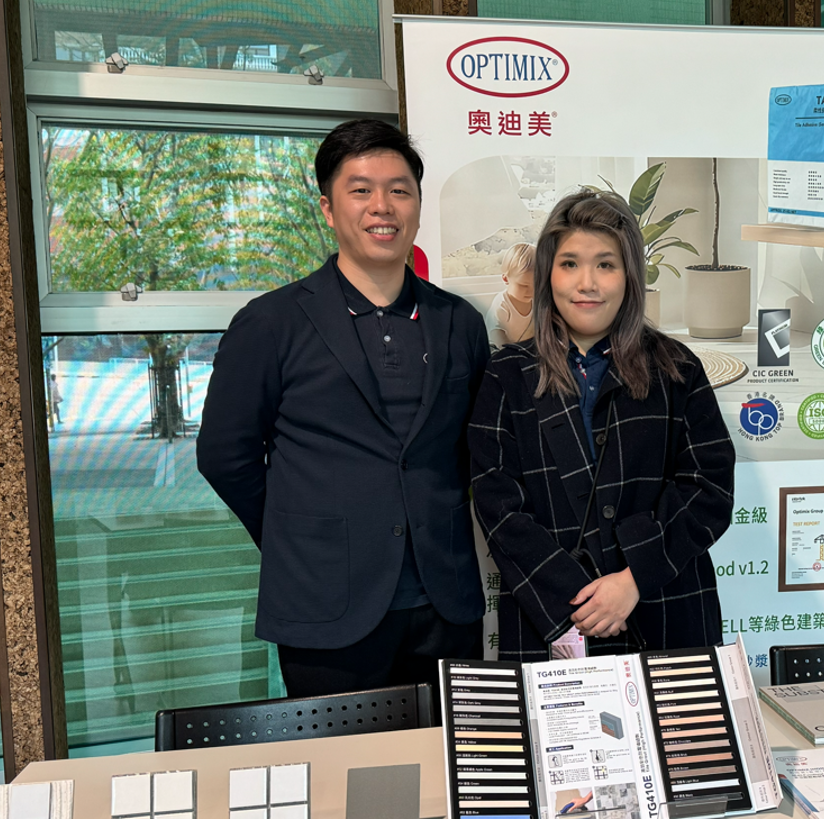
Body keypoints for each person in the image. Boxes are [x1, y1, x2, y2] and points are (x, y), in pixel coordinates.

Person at [197, 119, 489, 699]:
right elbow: (225, 456)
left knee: (455, 753)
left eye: (399, 190)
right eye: (361, 190)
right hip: (325, 606)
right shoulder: (271, 322)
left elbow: (473, 448)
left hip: (446, 602)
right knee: (342, 758)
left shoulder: (459, 322)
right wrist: (298, 538)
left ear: (418, 206)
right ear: (329, 209)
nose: (382, 206)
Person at [469, 189, 734, 662]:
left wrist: (633, 579)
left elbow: (708, 488)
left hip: (666, 608)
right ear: (548, 273)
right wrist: (579, 599)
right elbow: (497, 503)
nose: (586, 283)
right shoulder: (506, 374)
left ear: (630, 275)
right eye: (569, 263)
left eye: (606, 265)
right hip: (550, 622)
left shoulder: (677, 368)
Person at [487, 242, 536, 347]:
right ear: (506, 279)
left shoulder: (537, 302)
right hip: (500, 347)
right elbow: (497, 334)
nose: (531, 291)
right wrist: (511, 352)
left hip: (526, 348)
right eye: (524, 286)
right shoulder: (502, 304)